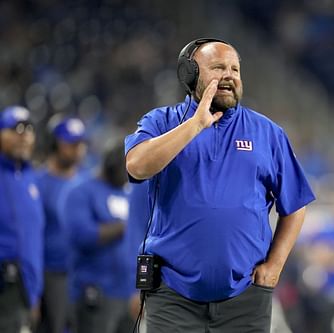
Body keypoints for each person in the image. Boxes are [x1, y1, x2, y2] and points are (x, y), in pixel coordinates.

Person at [124, 38, 316, 332]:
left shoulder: (267, 133)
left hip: (245, 299)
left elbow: (296, 204)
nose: (229, 75)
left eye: (235, 69)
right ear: (190, 75)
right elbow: (137, 166)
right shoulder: (162, 121)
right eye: (217, 67)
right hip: (172, 296)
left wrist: (274, 266)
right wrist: (195, 125)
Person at [61, 142, 134, 333]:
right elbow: (83, 236)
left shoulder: (129, 193)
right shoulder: (81, 191)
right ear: (112, 164)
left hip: (127, 293)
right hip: (95, 290)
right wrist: (124, 227)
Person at [34, 114, 87, 333]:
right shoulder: (37, 182)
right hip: (51, 272)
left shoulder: (86, 182)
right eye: (70, 144)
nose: (77, 149)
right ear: (54, 144)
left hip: (80, 273)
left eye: (80, 143)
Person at [0, 106, 45, 332]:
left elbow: (33, 239)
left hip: (24, 287)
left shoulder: (30, 176)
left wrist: (34, 292)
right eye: (15, 131)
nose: (23, 137)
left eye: (28, 131)